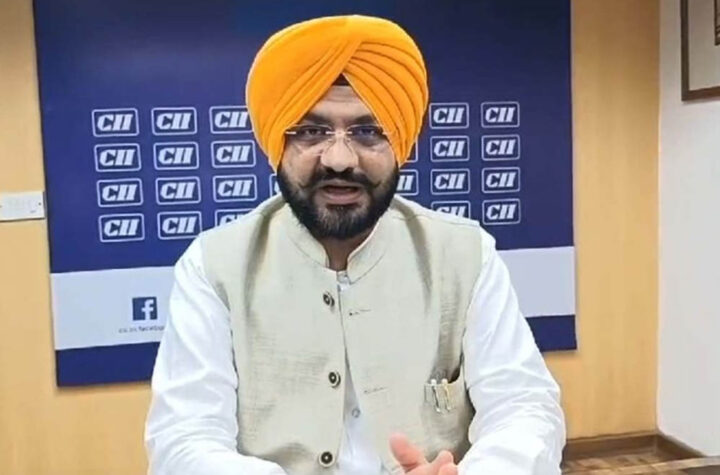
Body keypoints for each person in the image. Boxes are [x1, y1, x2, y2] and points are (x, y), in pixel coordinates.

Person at [145, 14, 565, 475]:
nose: (340, 159)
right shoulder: (214, 265)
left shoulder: (465, 255)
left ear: (401, 144)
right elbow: (183, 439)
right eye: (311, 131)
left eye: (368, 131)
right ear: (276, 143)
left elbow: (524, 407)